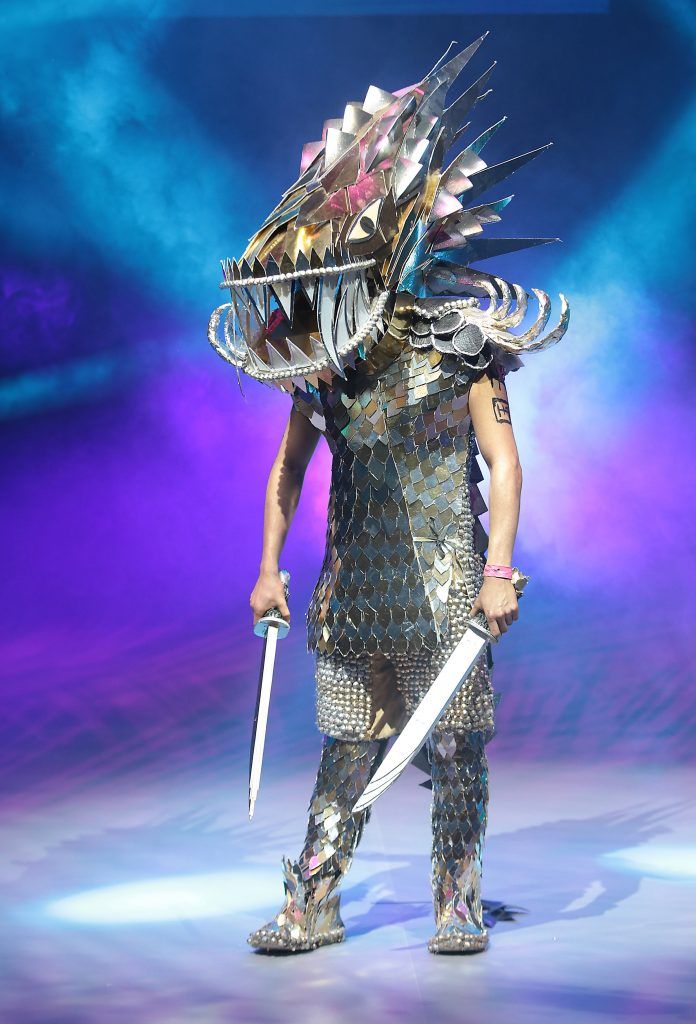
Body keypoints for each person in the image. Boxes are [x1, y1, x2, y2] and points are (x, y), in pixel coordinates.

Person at [208, 34, 569, 954]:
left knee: (454, 750)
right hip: (353, 587)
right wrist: (265, 570)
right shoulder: (324, 362)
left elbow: (506, 464)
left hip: (450, 582)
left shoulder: (461, 344)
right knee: (347, 747)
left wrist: (498, 569)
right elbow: (289, 469)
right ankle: (313, 899)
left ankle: (457, 900)